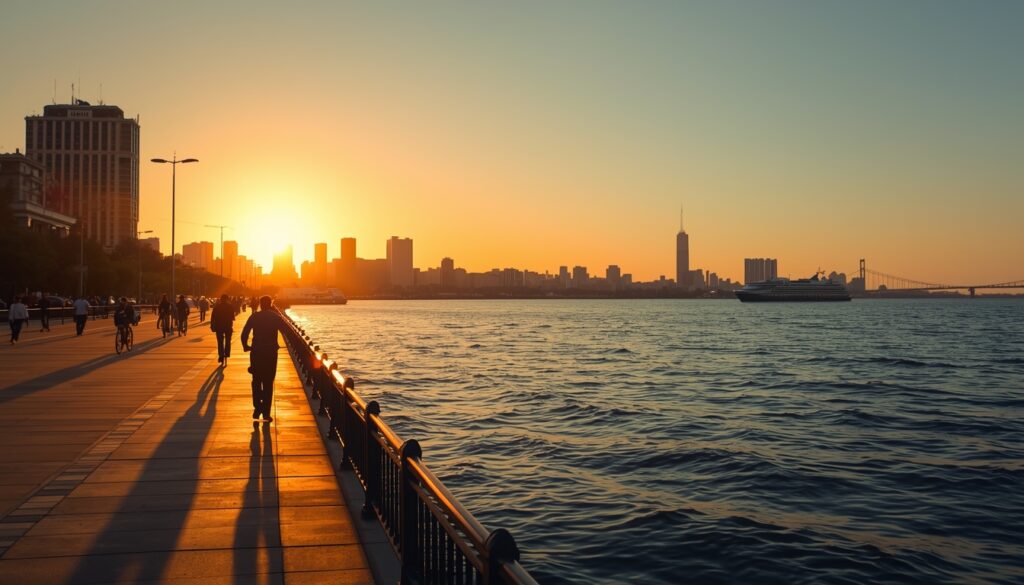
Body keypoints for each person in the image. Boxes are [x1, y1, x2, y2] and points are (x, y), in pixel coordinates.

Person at [241, 296, 287, 422]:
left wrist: (246, 346)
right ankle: (266, 413)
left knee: (256, 381)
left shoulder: (254, 316)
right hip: (271, 353)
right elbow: (285, 331)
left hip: (256, 352)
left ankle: (257, 408)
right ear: (271, 304)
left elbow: (244, 333)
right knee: (268, 382)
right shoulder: (275, 317)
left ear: (260, 304)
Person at [210, 294, 235, 365]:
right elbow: (233, 317)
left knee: (220, 342)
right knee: (228, 340)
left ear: (221, 299)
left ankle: (221, 355)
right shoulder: (230, 306)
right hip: (228, 326)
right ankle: (227, 353)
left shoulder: (217, 307)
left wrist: (212, 325)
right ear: (227, 299)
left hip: (219, 326)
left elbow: (213, 317)